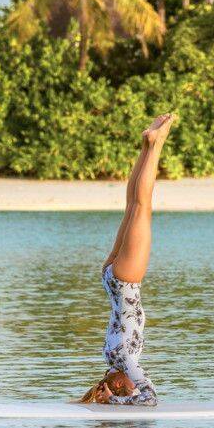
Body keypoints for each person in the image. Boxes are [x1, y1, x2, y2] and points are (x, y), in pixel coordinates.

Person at [84, 112, 176, 406]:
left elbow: (149, 400)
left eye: (128, 387)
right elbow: (132, 392)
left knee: (142, 205)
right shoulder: (110, 357)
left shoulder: (125, 362)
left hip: (126, 281)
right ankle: (148, 146)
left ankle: (155, 144)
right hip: (111, 278)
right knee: (131, 206)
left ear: (120, 383)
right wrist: (111, 395)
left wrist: (114, 401)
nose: (134, 385)